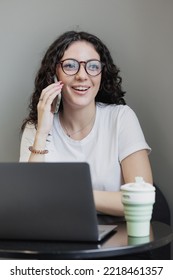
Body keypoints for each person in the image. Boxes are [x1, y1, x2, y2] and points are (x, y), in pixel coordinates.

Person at [20, 30, 153, 216]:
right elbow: (29, 200)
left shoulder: (121, 118)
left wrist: (71, 194)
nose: (82, 75)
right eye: (71, 65)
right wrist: (42, 132)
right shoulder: (35, 127)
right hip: (54, 236)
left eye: (92, 66)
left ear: (101, 73)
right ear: (54, 74)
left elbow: (142, 199)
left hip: (116, 237)